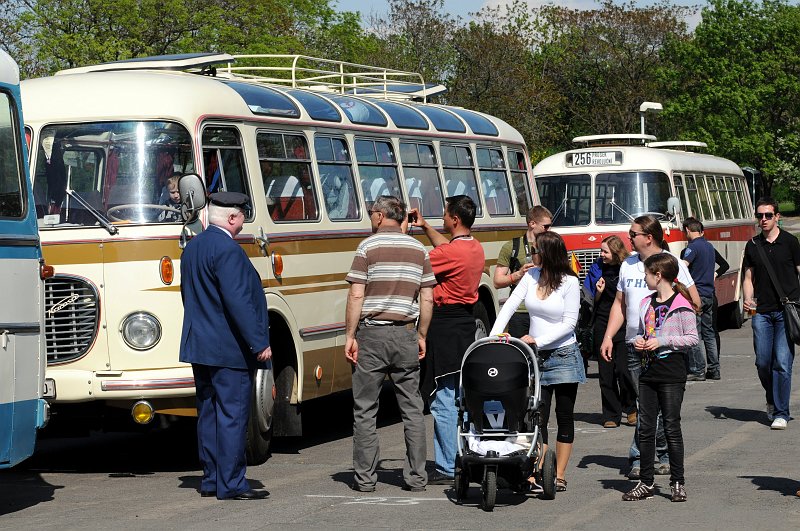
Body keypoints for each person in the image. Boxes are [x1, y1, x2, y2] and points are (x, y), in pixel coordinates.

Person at [179, 192, 271, 500]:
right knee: (232, 414)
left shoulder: (191, 249)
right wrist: (259, 342)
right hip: (228, 348)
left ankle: (212, 479)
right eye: (243, 217)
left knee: (208, 413)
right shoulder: (229, 250)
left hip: (199, 345)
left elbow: (189, 297)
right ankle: (231, 483)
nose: (244, 223)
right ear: (231, 218)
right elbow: (238, 302)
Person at [344, 195, 436, 493]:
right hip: (406, 334)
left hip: (372, 336)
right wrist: (421, 333)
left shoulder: (367, 247)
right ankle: (416, 477)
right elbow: (427, 297)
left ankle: (366, 479)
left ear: (381, 216)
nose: (371, 217)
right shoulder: (419, 249)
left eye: (372, 213)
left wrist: (350, 335)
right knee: (412, 408)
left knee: (365, 408)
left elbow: (357, 295)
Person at [600, 215, 700, 479]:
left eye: (633, 233)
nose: (628, 237)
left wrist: (668, 324)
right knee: (644, 405)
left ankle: (641, 456)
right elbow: (619, 305)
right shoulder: (628, 265)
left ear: (649, 237)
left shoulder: (672, 263)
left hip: (663, 351)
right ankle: (659, 453)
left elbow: (695, 301)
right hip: (635, 344)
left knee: (650, 408)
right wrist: (609, 336)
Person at [490, 231, 585, 493]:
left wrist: (538, 341)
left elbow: (569, 324)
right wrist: (493, 336)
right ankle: (539, 469)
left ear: (548, 253)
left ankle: (559, 474)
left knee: (563, 415)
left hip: (562, 355)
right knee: (536, 416)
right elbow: (509, 306)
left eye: (535, 250)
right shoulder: (531, 276)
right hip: (534, 356)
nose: (531, 254)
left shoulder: (568, 282)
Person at [409, 195, 484, 485]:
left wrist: (400, 233)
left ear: (454, 219)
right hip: (464, 324)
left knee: (442, 400)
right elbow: (447, 247)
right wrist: (426, 226)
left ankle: (446, 465)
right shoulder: (474, 247)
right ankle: (458, 458)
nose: (441, 218)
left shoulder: (450, 254)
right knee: (456, 396)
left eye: (443, 215)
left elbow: (418, 261)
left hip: (444, 325)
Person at [622, 253, 698, 502]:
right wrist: (640, 341)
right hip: (648, 371)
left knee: (671, 426)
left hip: (672, 372)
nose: (644, 278)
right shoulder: (646, 302)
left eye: (646, 273)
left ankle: (678, 482)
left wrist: (662, 341)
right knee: (645, 428)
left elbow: (692, 338)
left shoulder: (681, 304)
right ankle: (646, 482)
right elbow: (638, 333)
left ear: (659, 275)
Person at [742, 197, 800, 430]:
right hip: (762, 312)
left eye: (768, 215)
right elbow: (748, 277)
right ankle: (771, 398)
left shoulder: (790, 242)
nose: (763, 220)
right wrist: (748, 298)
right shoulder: (753, 245)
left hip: (787, 311)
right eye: (759, 216)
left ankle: (781, 412)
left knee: (782, 363)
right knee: (763, 362)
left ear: (777, 217)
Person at [591, 235, 636, 428]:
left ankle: (631, 407)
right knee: (606, 372)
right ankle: (611, 413)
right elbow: (591, 297)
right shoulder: (598, 266)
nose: (602, 255)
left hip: (623, 321)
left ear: (616, 251)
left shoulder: (627, 267)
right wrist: (598, 291)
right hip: (602, 320)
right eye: (601, 251)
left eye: (605, 251)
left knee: (624, 369)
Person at [492, 206, 553, 337]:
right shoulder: (512, 246)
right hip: (520, 311)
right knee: (520, 354)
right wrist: (518, 274)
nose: (549, 230)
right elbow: (497, 282)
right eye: (545, 226)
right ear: (532, 224)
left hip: (544, 310)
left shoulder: (552, 245)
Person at [681, 217, 719, 381]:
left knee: (694, 333)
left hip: (696, 295)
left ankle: (697, 370)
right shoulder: (709, 246)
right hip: (709, 294)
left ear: (688, 230)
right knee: (709, 333)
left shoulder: (692, 247)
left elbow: (683, 265)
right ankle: (714, 368)